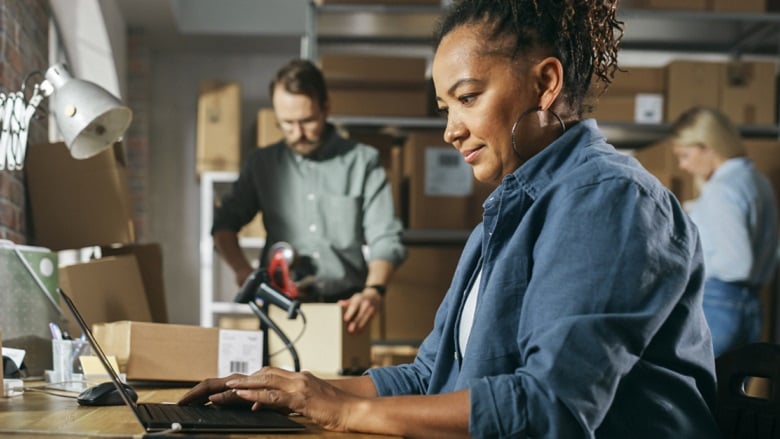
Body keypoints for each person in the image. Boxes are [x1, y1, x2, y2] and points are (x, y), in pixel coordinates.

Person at [181, 1, 720, 436]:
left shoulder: (609, 200)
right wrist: (299, 391)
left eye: (467, 97)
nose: (451, 130)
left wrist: (342, 410)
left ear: (545, 82)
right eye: (445, 108)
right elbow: (427, 376)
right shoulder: (510, 207)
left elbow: (548, 409)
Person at [211, 59, 406, 334]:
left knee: (338, 379)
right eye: (287, 124)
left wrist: (374, 290)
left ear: (326, 107)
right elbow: (223, 224)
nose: (298, 133)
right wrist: (243, 271)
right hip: (279, 309)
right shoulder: (262, 164)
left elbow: (385, 236)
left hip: (345, 311)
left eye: (307, 121)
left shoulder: (363, 162)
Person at [670, 106, 778, 357]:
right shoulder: (757, 181)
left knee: (697, 391)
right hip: (749, 305)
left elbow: (737, 264)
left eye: (685, 155)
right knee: (731, 391)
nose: (683, 166)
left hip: (719, 303)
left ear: (708, 146)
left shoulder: (721, 190)